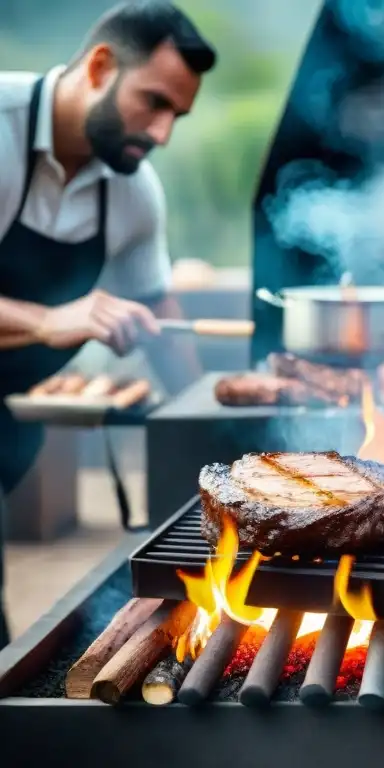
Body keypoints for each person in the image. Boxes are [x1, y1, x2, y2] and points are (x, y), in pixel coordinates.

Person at [0, 2, 216, 649]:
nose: (162, 132)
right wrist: (47, 319)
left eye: (176, 115)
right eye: (153, 103)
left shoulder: (133, 191)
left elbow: (164, 322)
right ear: (100, 66)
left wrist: (219, 447)